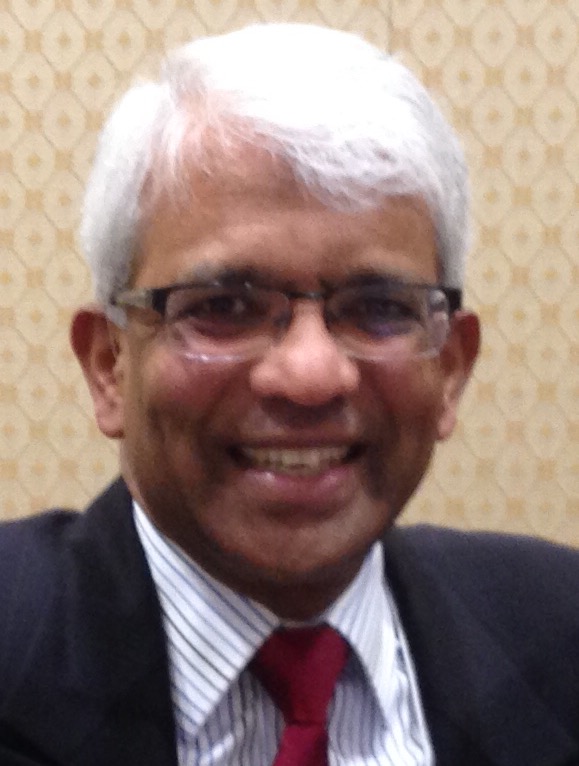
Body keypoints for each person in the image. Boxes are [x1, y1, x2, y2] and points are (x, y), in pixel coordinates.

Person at [1, 22, 578, 766]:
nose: (310, 375)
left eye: (378, 308)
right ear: (109, 364)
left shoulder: (560, 633)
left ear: (449, 369)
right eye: (224, 306)